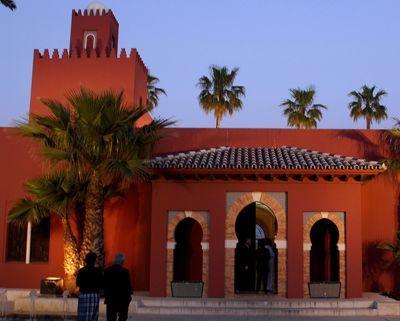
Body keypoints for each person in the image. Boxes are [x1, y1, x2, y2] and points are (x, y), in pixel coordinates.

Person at [104, 253, 132, 321]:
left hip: (110, 299)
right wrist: (128, 298)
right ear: (122, 262)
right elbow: (128, 286)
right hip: (122, 300)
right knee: (123, 317)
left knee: (111, 318)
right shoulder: (125, 272)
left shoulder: (107, 270)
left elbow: (104, 285)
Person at [76, 252, 103, 321]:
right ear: (94, 260)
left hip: (83, 295)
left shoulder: (81, 271)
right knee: (93, 316)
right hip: (94, 295)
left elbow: (78, 284)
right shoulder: (98, 271)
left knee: (82, 315)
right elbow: (101, 284)